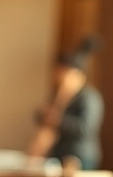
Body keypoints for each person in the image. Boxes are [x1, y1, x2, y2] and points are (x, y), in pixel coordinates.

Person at [29, 36, 104, 170]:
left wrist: (57, 120)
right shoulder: (60, 95)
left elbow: (85, 128)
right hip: (58, 154)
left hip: (80, 156)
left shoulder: (89, 97)